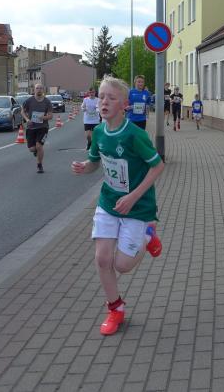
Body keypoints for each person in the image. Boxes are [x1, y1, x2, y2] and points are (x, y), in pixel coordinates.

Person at [71, 76, 164, 335]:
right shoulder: (99, 132)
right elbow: (95, 163)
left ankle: (149, 233)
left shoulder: (135, 135)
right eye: (101, 96)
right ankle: (115, 309)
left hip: (137, 207)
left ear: (124, 105)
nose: (104, 102)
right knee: (102, 259)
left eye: (111, 98)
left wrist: (133, 196)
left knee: (123, 265)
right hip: (108, 202)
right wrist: (84, 167)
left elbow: (158, 166)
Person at [21, 83, 53, 174]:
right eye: (37, 88)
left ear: (43, 90)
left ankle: (39, 165)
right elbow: (22, 111)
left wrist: (44, 117)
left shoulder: (47, 102)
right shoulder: (29, 101)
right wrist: (27, 120)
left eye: (40, 88)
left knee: (39, 146)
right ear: (34, 90)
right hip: (31, 127)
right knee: (32, 149)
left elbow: (51, 116)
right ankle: (36, 151)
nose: (39, 90)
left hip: (43, 127)